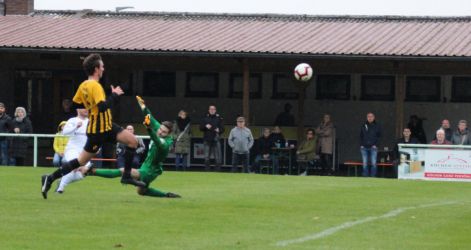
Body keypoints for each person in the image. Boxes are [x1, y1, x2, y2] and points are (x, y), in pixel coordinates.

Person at [41, 53, 143, 199]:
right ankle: (49, 178)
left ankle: (126, 175)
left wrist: (91, 108)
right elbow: (102, 107)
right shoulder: (95, 86)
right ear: (96, 69)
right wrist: (114, 95)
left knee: (133, 141)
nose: (103, 69)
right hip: (99, 130)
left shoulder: (83, 85)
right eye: (102, 66)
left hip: (106, 125)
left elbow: (76, 103)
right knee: (80, 162)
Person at [88, 96, 180, 198]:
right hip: (148, 166)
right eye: (160, 129)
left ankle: (92, 171)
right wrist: (143, 105)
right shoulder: (160, 129)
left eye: (164, 132)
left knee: (123, 171)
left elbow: (157, 140)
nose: (160, 132)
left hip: (150, 171)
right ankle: (167, 195)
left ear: (169, 134)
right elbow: (150, 117)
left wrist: (149, 129)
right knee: (141, 192)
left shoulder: (165, 144)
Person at [56, 108, 92, 193]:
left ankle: (61, 181)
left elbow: (96, 136)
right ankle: (61, 187)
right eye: (84, 108)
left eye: (88, 108)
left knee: (84, 172)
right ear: (78, 110)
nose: (86, 109)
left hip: (84, 151)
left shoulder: (91, 121)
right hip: (72, 149)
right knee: (75, 167)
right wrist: (76, 127)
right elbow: (65, 132)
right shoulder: (72, 120)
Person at [199, 105, 224, 171]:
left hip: (216, 139)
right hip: (207, 140)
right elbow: (200, 128)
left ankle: (217, 171)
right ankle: (207, 170)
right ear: (209, 110)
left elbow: (223, 129)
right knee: (206, 157)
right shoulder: (205, 118)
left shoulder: (219, 118)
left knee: (217, 157)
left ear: (215, 110)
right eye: (211, 109)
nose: (212, 110)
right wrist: (205, 126)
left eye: (213, 109)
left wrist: (219, 130)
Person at [360, 112, 381, 177]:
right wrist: (361, 145)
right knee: (364, 163)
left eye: (371, 116)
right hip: (364, 147)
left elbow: (379, 136)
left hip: (373, 147)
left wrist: (376, 145)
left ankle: (373, 176)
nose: (370, 118)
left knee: (373, 163)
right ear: (367, 118)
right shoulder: (363, 125)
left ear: (374, 117)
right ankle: (365, 176)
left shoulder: (377, 125)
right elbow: (361, 136)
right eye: (368, 116)